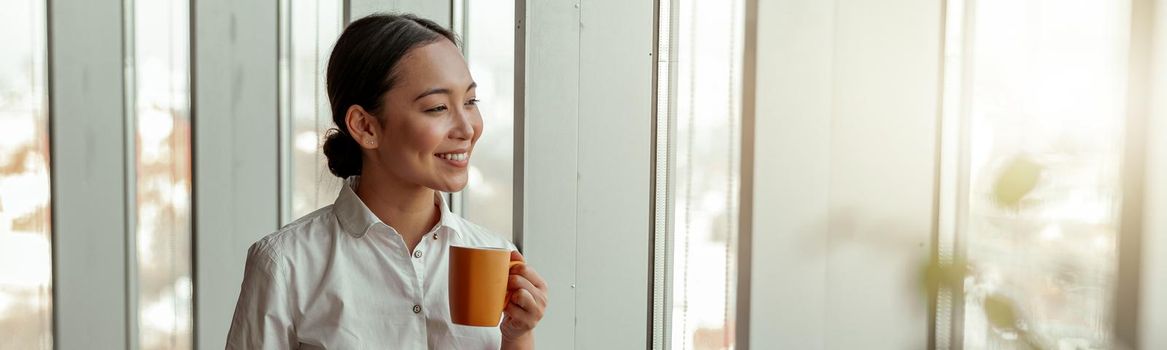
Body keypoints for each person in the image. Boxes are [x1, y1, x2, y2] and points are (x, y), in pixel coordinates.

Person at [225, 13, 547, 349]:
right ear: (365, 126)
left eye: (469, 102)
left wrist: (517, 334)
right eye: (437, 107)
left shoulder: (498, 257)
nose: (467, 128)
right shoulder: (286, 265)